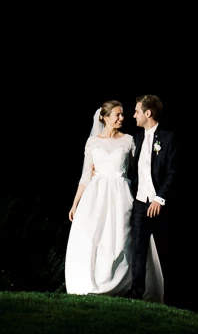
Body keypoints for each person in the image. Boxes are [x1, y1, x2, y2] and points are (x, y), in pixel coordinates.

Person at [64, 100, 139, 295]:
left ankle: (122, 283)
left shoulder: (128, 140)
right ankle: (90, 281)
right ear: (105, 118)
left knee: (120, 237)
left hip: (120, 194)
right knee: (92, 237)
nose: (122, 118)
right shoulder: (93, 142)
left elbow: (135, 171)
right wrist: (75, 203)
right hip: (95, 195)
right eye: (117, 114)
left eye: (122, 114)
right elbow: (85, 176)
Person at [127, 94, 177, 302]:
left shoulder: (168, 137)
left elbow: (173, 171)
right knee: (138, 247)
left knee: (165, 249)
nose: (134, 115)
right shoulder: (137, 138)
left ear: (148, 113)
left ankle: (171, 295)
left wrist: (159, 198)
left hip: (159, 203)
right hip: (140, 201)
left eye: (137, 111)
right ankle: (136, 293)